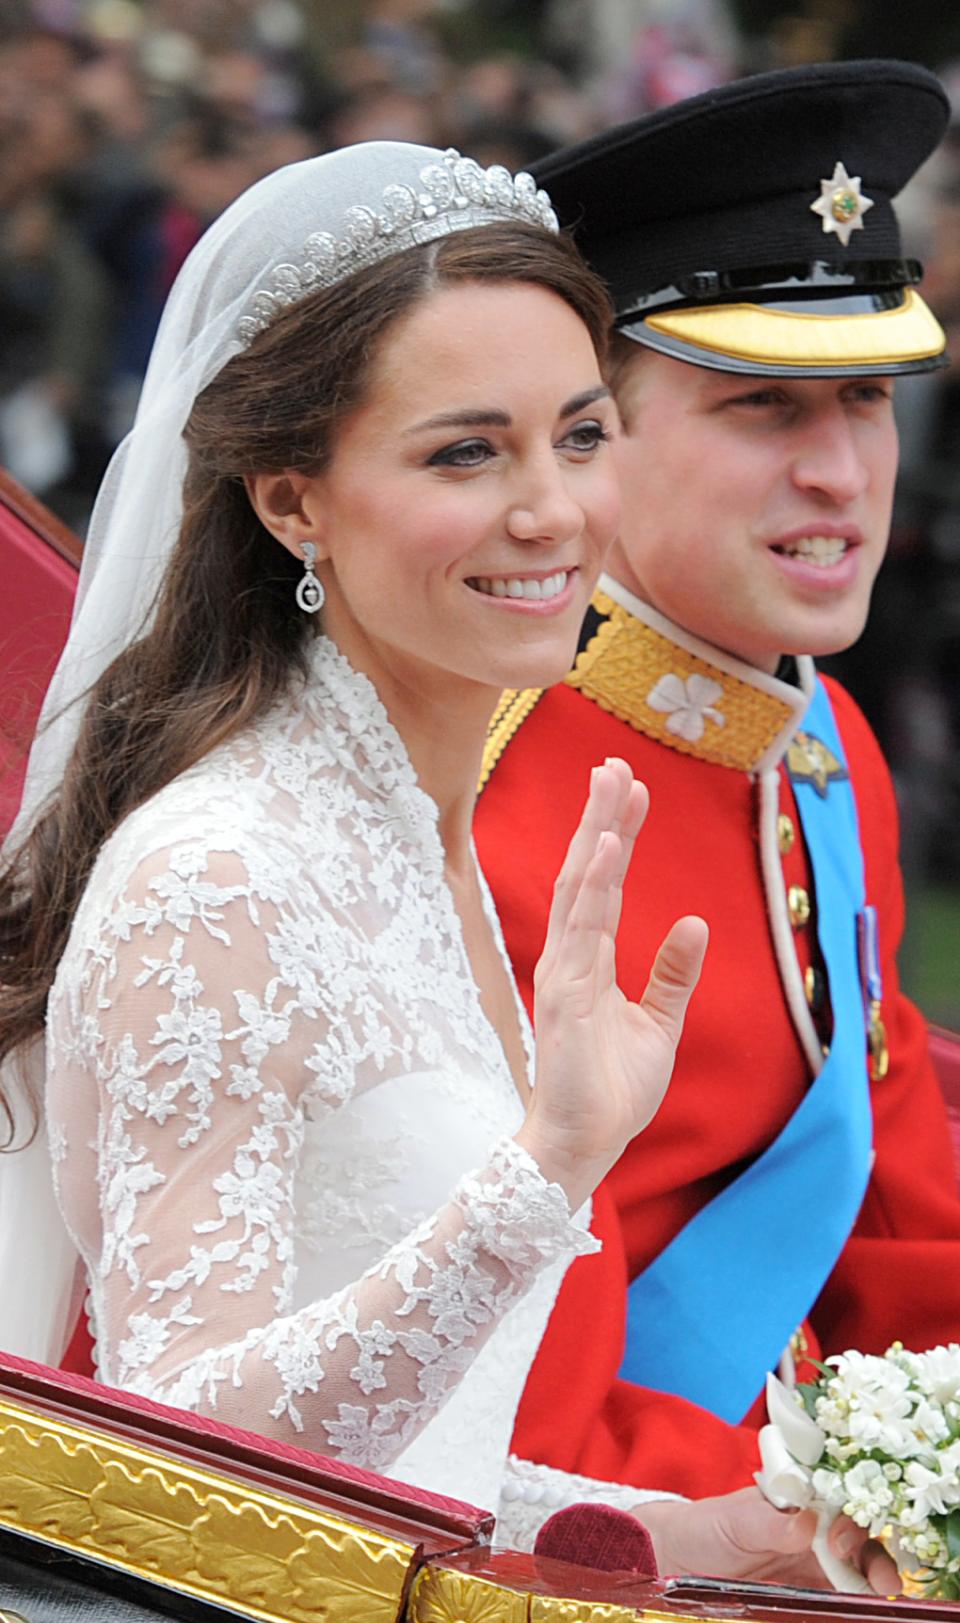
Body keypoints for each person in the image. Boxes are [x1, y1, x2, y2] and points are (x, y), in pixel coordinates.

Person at [0, 138, 716, 1535]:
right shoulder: (215, 877)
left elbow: (414, 1465)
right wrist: (544, 1169)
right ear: (290, 500)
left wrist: (734, 1534)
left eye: (581, 434)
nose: (553, 510)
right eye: (467, 451)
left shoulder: (408, 831)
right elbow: (182, 1472)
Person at [473, 60, 960, 1577]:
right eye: (761, 407)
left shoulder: (821, 740)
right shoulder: (483, 801)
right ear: (588, 437)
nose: (839, 470)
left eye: (866, 402)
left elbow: (891, 1199)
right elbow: (534, 1422)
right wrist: (845, 1525)